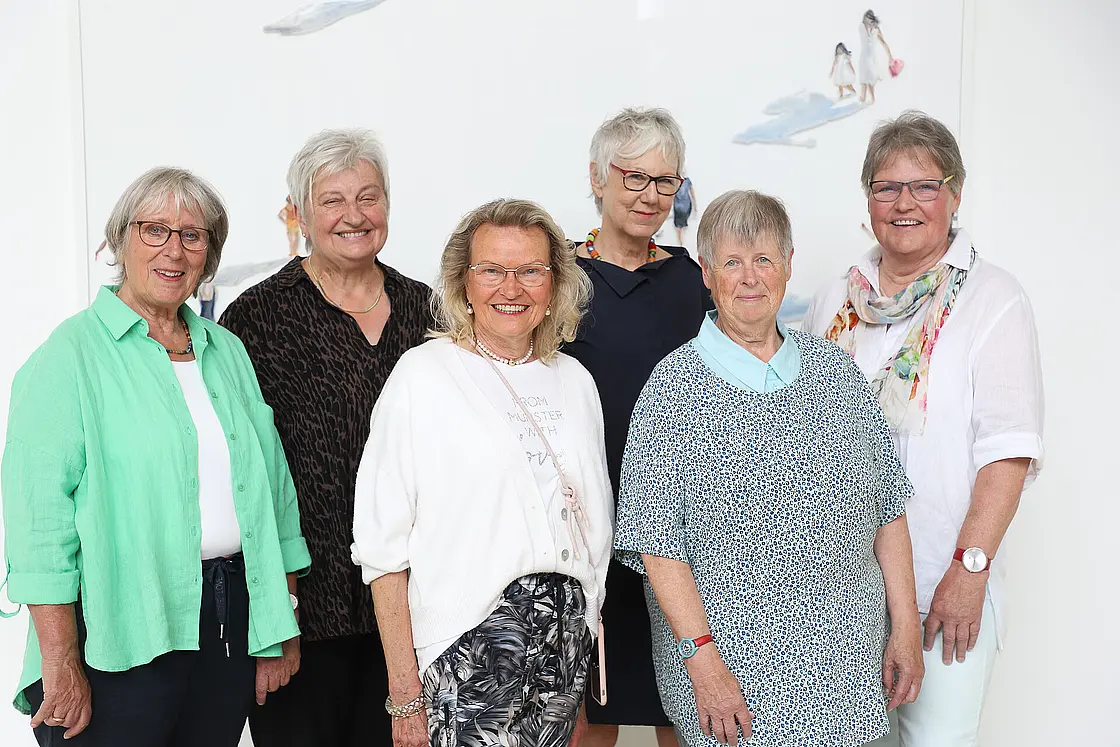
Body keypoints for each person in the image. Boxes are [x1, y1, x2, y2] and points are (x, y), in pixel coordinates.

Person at [0, 167, 311, 746]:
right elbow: (39, 530)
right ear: (120, 239)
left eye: (192, 235)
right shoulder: (68, 357)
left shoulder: (227, 351)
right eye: (154, 230)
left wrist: (279, 623)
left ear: (209, 254)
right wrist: (61, 663)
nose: (174, 249)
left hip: (228, 625)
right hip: (115, 633)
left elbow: (275, 496)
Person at [615, 189, 924, 747]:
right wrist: (702, 663)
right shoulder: (671, 391)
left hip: (850, 677)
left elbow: (888, 510)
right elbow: (658, 547)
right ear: (706, 273)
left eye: (763, 259)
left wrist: (905, 626)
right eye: (732, 262)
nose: (750, 277)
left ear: (787, 266)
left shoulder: (836, 373)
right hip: (734, 688)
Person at [804, 111, 1044, 747]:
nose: (904, 203)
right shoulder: (837, 299)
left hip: (941, 587)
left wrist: (969, 572)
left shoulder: (993, 299)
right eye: (887, 187)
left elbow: (1007, 454)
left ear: (955, 195)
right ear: (868, 201)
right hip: (836, 594)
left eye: (925, 186)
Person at [351, 198, 614, 747]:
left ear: (555, 284)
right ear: (463, 283)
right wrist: (405, 693)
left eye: (529, 271)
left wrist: (580, 661)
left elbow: (589, 529)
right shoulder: (423, 376)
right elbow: (382, 551)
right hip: (467, 645)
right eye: (491, 270)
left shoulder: (576, 382)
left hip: (565, 644)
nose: (510, 288)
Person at [220, 129, 433, 746]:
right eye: (332, 200)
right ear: (301, 216)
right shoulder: (255, 319)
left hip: (416, 611)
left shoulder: (429, 311)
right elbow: (242, 475)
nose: (354, 216)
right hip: (304, 616)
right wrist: (269, 617)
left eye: (369, 197)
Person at [564, 106, 712, 747]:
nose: (651, 195)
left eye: (665, 181)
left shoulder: (694, 281)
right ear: (597, 179)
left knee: (685, 713)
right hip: (579, 528)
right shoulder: (555, 277)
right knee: (588, 717)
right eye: (634, 177)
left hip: (680, 533)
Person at [858, 10, 894, 104]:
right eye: (866, 21)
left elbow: (884, 43)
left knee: (870, 76)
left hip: (871, 57)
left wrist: (890, 56)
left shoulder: (876, 30)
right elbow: (864, 26)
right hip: (864, 56)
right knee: (864, 77)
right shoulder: (862, 27)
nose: (868, 23)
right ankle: (863, 97)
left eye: (870, 21)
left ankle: (871, 98)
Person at [673, 174, 697, 247]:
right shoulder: (685, 181)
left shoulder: (677, 180)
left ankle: (681, 244)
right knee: (681, 227)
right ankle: (681, 244)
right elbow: (692, 193)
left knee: (679, 227)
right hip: (684, 206)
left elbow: (692, 193)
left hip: (681, 206)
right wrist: (694, 206)